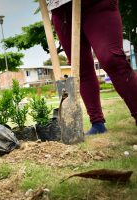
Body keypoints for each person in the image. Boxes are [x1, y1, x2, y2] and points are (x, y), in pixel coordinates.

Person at [50, 0, 137, 134]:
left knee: (112, 59)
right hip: (62, 10)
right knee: (80, 68)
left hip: (97, 3)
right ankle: (97, 124)